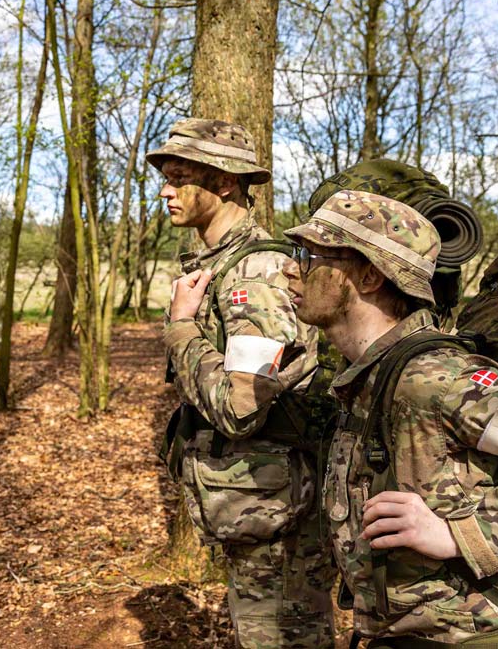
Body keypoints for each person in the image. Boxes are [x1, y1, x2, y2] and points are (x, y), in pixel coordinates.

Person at [281, 186, 498, 644]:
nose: (289, 268)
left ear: (368, 277)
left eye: (309, 255)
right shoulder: (367, 376)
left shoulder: (433, 378)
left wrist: (459, 534)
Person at [151, 118, 335, 647]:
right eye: (165, 176)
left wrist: (181, 328)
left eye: (179, 176)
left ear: (226, 182)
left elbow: (240, 407)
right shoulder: (220, 263)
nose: (165, 190)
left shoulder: (255, 274)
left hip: (278, 518)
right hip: (257, 505)